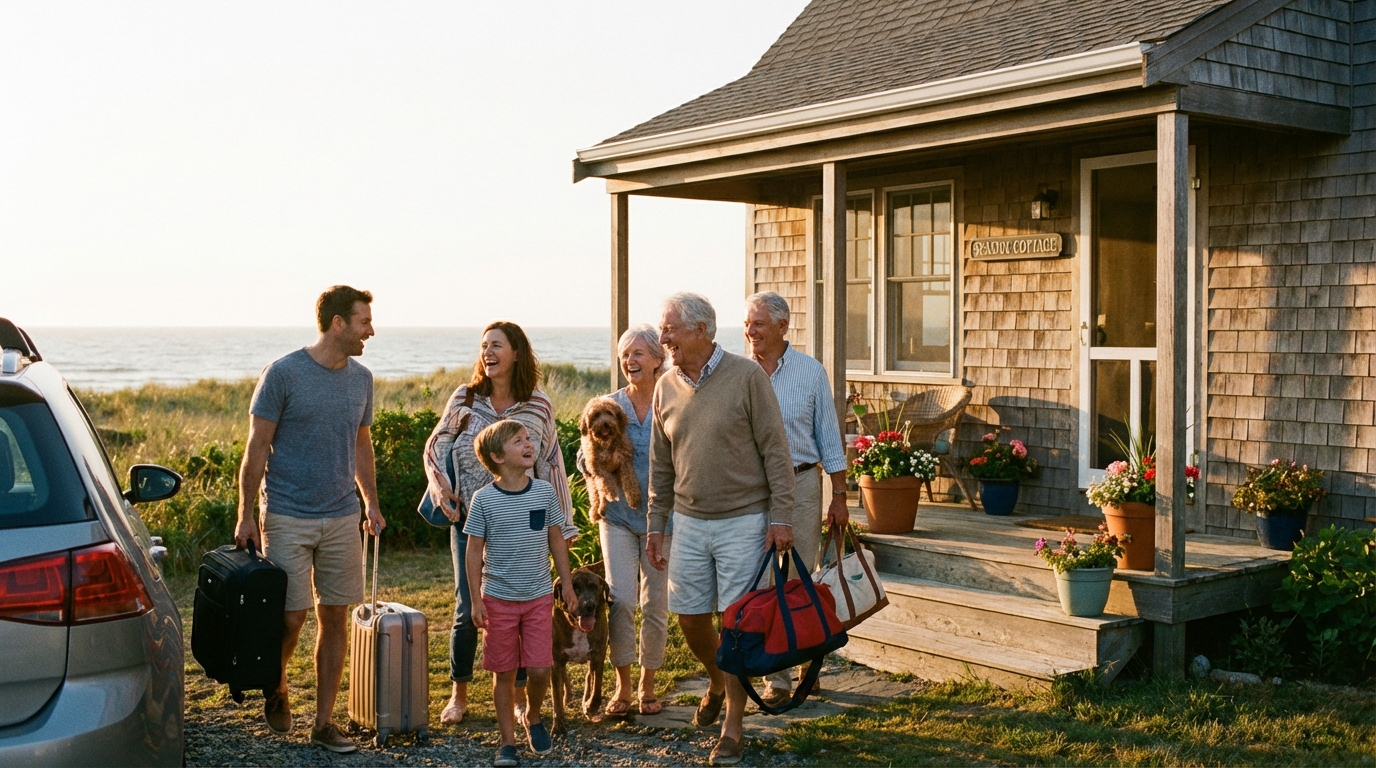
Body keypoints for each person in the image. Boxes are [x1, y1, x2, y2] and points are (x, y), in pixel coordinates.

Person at [645, 292, 795, 767]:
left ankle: (734, 724)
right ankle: (717, 677)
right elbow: (659, 465)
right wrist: (655, 525)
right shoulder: (665, 384)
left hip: (744, 521)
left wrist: (781, 517)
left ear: (702, 331)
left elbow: (776, 451)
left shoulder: (746, 377)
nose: (662, 337)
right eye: (662, 329)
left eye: (670, 329)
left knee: (736, 625)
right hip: (688, 521)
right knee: (688, 614)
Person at [234, 285, 385, 754]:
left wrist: (371, 504)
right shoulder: (283, 374)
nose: (370, 330)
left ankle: (323, 723)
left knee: (335, 616)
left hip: (342, 515)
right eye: (364, 321)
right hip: (285, 513)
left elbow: (361, 445)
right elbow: (256, 447)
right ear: (338, 323)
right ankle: (276, 685)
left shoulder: (362, 379)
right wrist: (246, 515)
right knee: (291, 617)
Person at [423, 321, 577, 725]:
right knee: (467, 606)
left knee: (522, 605)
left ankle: (520, 697)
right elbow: (435, 446)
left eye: (497, 345)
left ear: (516, 353)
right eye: (483, 346)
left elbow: (552, 461)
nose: (488, 352)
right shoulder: (466, 397)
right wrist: (439, 488)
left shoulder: (538, 404)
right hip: (471, 518)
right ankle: (459, 694)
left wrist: (564, 524)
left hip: (525, 521)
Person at [743, 291, 849, 708]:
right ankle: (776, 675)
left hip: (803, 484)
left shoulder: (809, 372)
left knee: (799, 579)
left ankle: (808, 663)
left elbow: (829, 438)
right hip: (752, 489)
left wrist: (839, 495)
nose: (751, 332)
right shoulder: (737, 372)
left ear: (784, 326)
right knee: (764, 578)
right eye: (748, 324)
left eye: (759, 324)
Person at [464, 419, 579, 767]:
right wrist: (475, 600)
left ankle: (533, 716)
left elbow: (556, 540)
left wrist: (568, 585)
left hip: (539, 598)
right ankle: (508, 744)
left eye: (529, 438)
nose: (529, 443)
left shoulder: (544, 492)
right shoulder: (483, 500)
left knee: (541, 669)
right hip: (497, 600)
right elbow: (472, 552)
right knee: (504, 673)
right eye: (519, 441)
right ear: (498, 456)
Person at [575, 324, 673, 717]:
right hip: (615, 517)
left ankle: (648, 687)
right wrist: (601, 463)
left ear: (656, 359)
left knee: (655, 603)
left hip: (662, 519)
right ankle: (623, 686)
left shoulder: (676, 396)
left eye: (637, 354)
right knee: (621, 601)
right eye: (624, 355)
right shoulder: (609, 404)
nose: (630, 361)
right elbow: (583, 455)